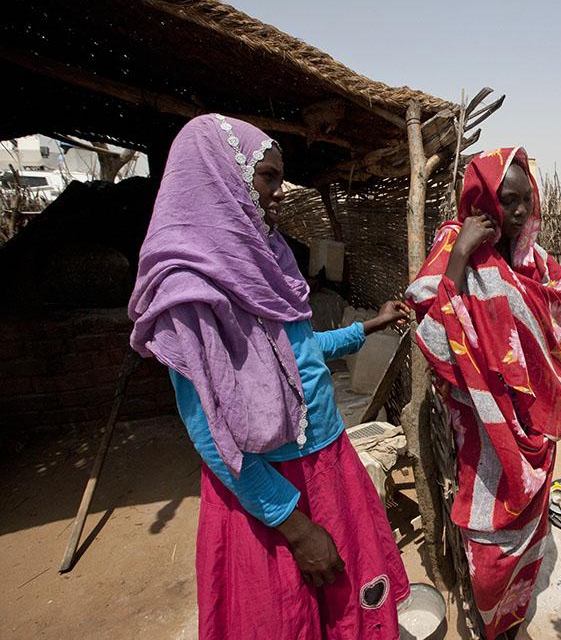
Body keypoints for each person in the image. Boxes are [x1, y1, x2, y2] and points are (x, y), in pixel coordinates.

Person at [129, 113, 409, 639]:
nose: (281, 192)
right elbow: (211, 432)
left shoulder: (266, 261)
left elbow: (296, 353)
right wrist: (294, 526)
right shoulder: (187, 291)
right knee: (287, 618)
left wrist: (367, 328)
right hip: (271, 492)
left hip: (328, 463)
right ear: (221, 178)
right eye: (269, 177)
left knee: (350, 610)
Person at [405, 147, 561, 639]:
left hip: (532, 425)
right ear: (482, 200)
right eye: (508, 201)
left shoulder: (536, 263)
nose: (521, 211)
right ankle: (493, 617)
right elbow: (432, 337)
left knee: (529, 525)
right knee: (488, 540)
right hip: (481, 427)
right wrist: (461, 258)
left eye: (528, 199)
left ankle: (512, 614)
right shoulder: (452, 247)